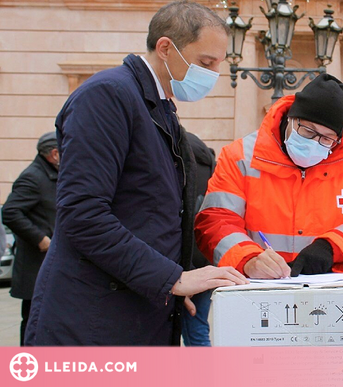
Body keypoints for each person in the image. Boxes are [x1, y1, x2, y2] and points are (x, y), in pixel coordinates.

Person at [24, 1, 247, 346]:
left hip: (136, 307)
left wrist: (166, 285)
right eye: (206, 63)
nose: (214, 75)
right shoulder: (107, 95)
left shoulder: (157, 105)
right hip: (92, 320)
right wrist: (172, 279)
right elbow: (83, 214)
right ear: (165, 48)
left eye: (219, 65)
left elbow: (149, 212)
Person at [195, 74, 343, 279]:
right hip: (256, 285)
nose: (315, 142)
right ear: (291, 119)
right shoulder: (240, 157)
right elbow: (216, 222)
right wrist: (248, 259)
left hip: (326, 286)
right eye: (308, 131)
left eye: (326, 138)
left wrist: (332, 247)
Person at [2, 132, 59, 346]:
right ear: (54, 154)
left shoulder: (51, 175)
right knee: (34, 321)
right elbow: (10, 212)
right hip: (35, 266)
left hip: (49, 265)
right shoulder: (33, 177)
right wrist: (41, 239)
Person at [182, 131, 215, 346]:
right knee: (198, 330)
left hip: (183, 267)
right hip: (208, 262)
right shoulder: (211, 165)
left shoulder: (179, 161)